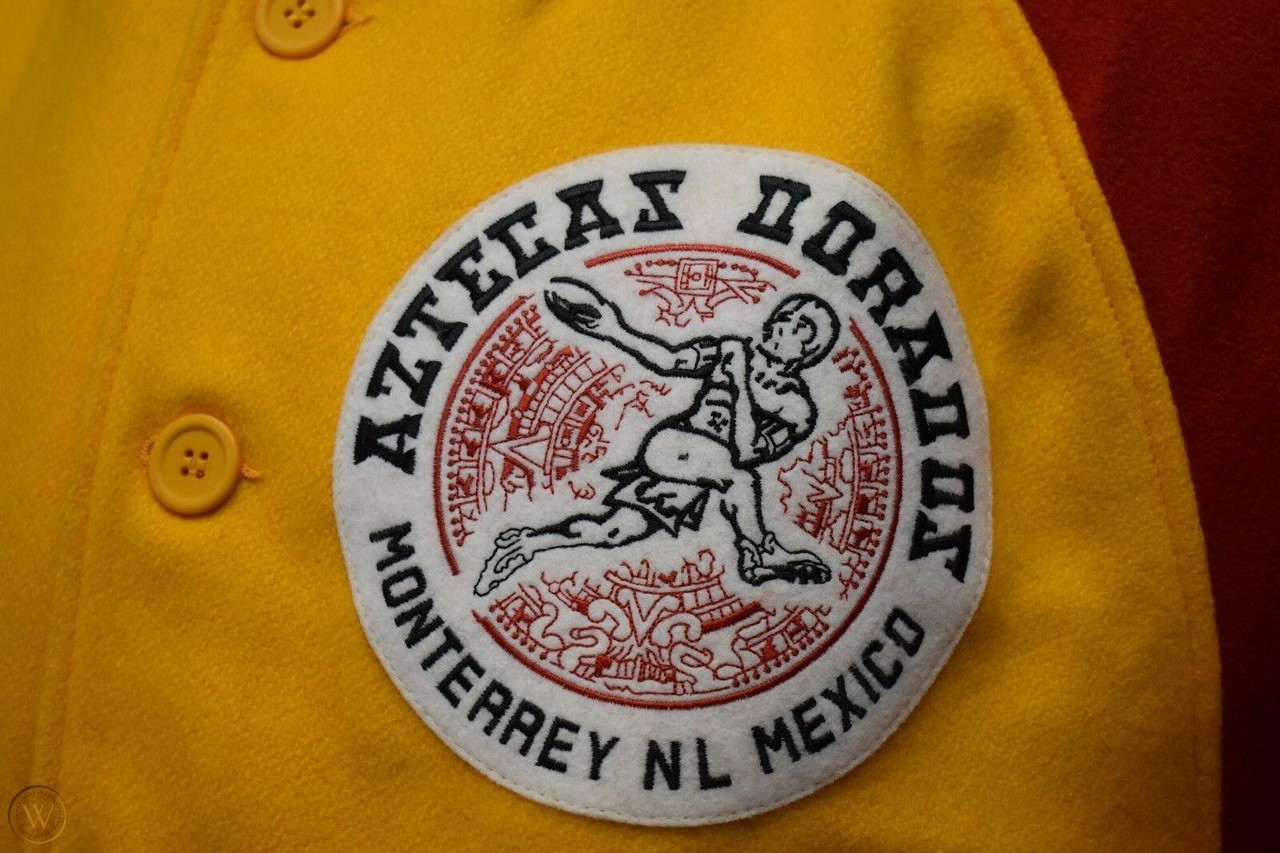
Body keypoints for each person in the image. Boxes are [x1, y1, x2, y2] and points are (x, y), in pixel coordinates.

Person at [475, 277, 840, 595]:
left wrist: (740, 381)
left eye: (799, 327)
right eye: (784, 317)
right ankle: (759, 553)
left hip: (703, 472)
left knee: (615, 531)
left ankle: (527, 543)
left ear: (810, 350)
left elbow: (745, 452)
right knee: (739, 482)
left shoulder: (796, 409)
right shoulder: (729, 351)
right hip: (672, 445)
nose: (783, 325)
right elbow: (670, 360)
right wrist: (613, 329)